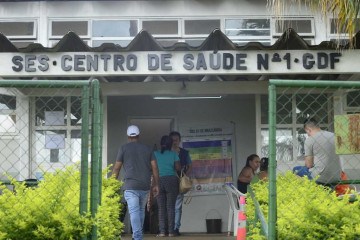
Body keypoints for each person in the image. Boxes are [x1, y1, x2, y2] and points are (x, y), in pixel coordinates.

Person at [112, 125, 160, 240]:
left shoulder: (123, 148)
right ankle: (137, 235)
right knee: (140, 211)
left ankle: (137, 237)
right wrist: (156, 184)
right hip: (144, 186)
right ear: (138, 135)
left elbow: (117, 168)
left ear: (128, 136)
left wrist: (112, 184)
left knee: (134, 212)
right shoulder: (148, 149)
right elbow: (155, 167)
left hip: (130, 186)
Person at [153, 135, 181, 237]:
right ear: (170, 144)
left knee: (161, 207)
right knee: (171, 207)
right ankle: (171, 232)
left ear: (161, 144)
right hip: (172, 180)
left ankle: (162, 231)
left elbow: (152, 167)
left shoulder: (155, 154)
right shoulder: (173, 154)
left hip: (159, 180)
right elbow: (178, 168)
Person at [303, 118, 341, 185]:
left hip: (319, 177)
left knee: (296, 169)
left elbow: (309, 165)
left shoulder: (310, 140)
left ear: (308, 130)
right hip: (336, 175)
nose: (308, 135)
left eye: (307, 132)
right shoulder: (334, 136)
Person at [169, 131, 192, 236]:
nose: (174, 142)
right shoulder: (166, 152)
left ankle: (176, 228)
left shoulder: (184, 153)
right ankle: (168, 227)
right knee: (168, 205)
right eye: (172, 140)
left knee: (177, 206)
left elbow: (190, 165)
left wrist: (184, 175)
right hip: (168, 181)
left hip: (179, 182)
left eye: (176, 140)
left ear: (179, 140)